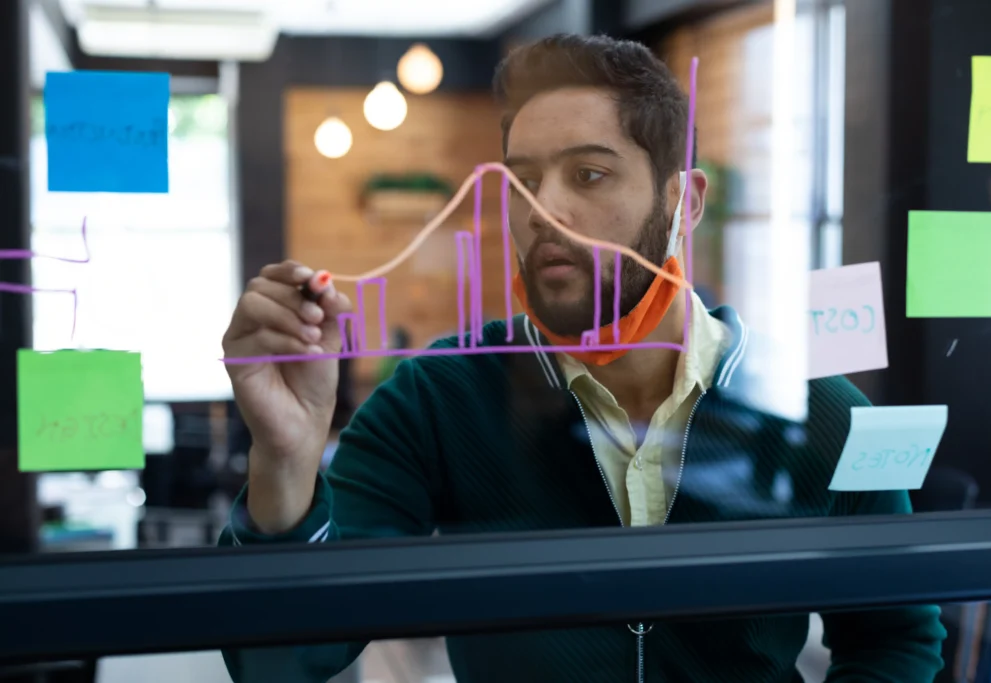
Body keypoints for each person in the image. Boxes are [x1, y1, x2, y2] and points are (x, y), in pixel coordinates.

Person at [219, 34, 945, 683]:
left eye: (589, 175)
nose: (543, 210)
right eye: (523, 180)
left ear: (683, 202)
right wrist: (283, 459)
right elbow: (279, 659)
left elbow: (896, 638)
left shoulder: (818, 410)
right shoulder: (437, 397)